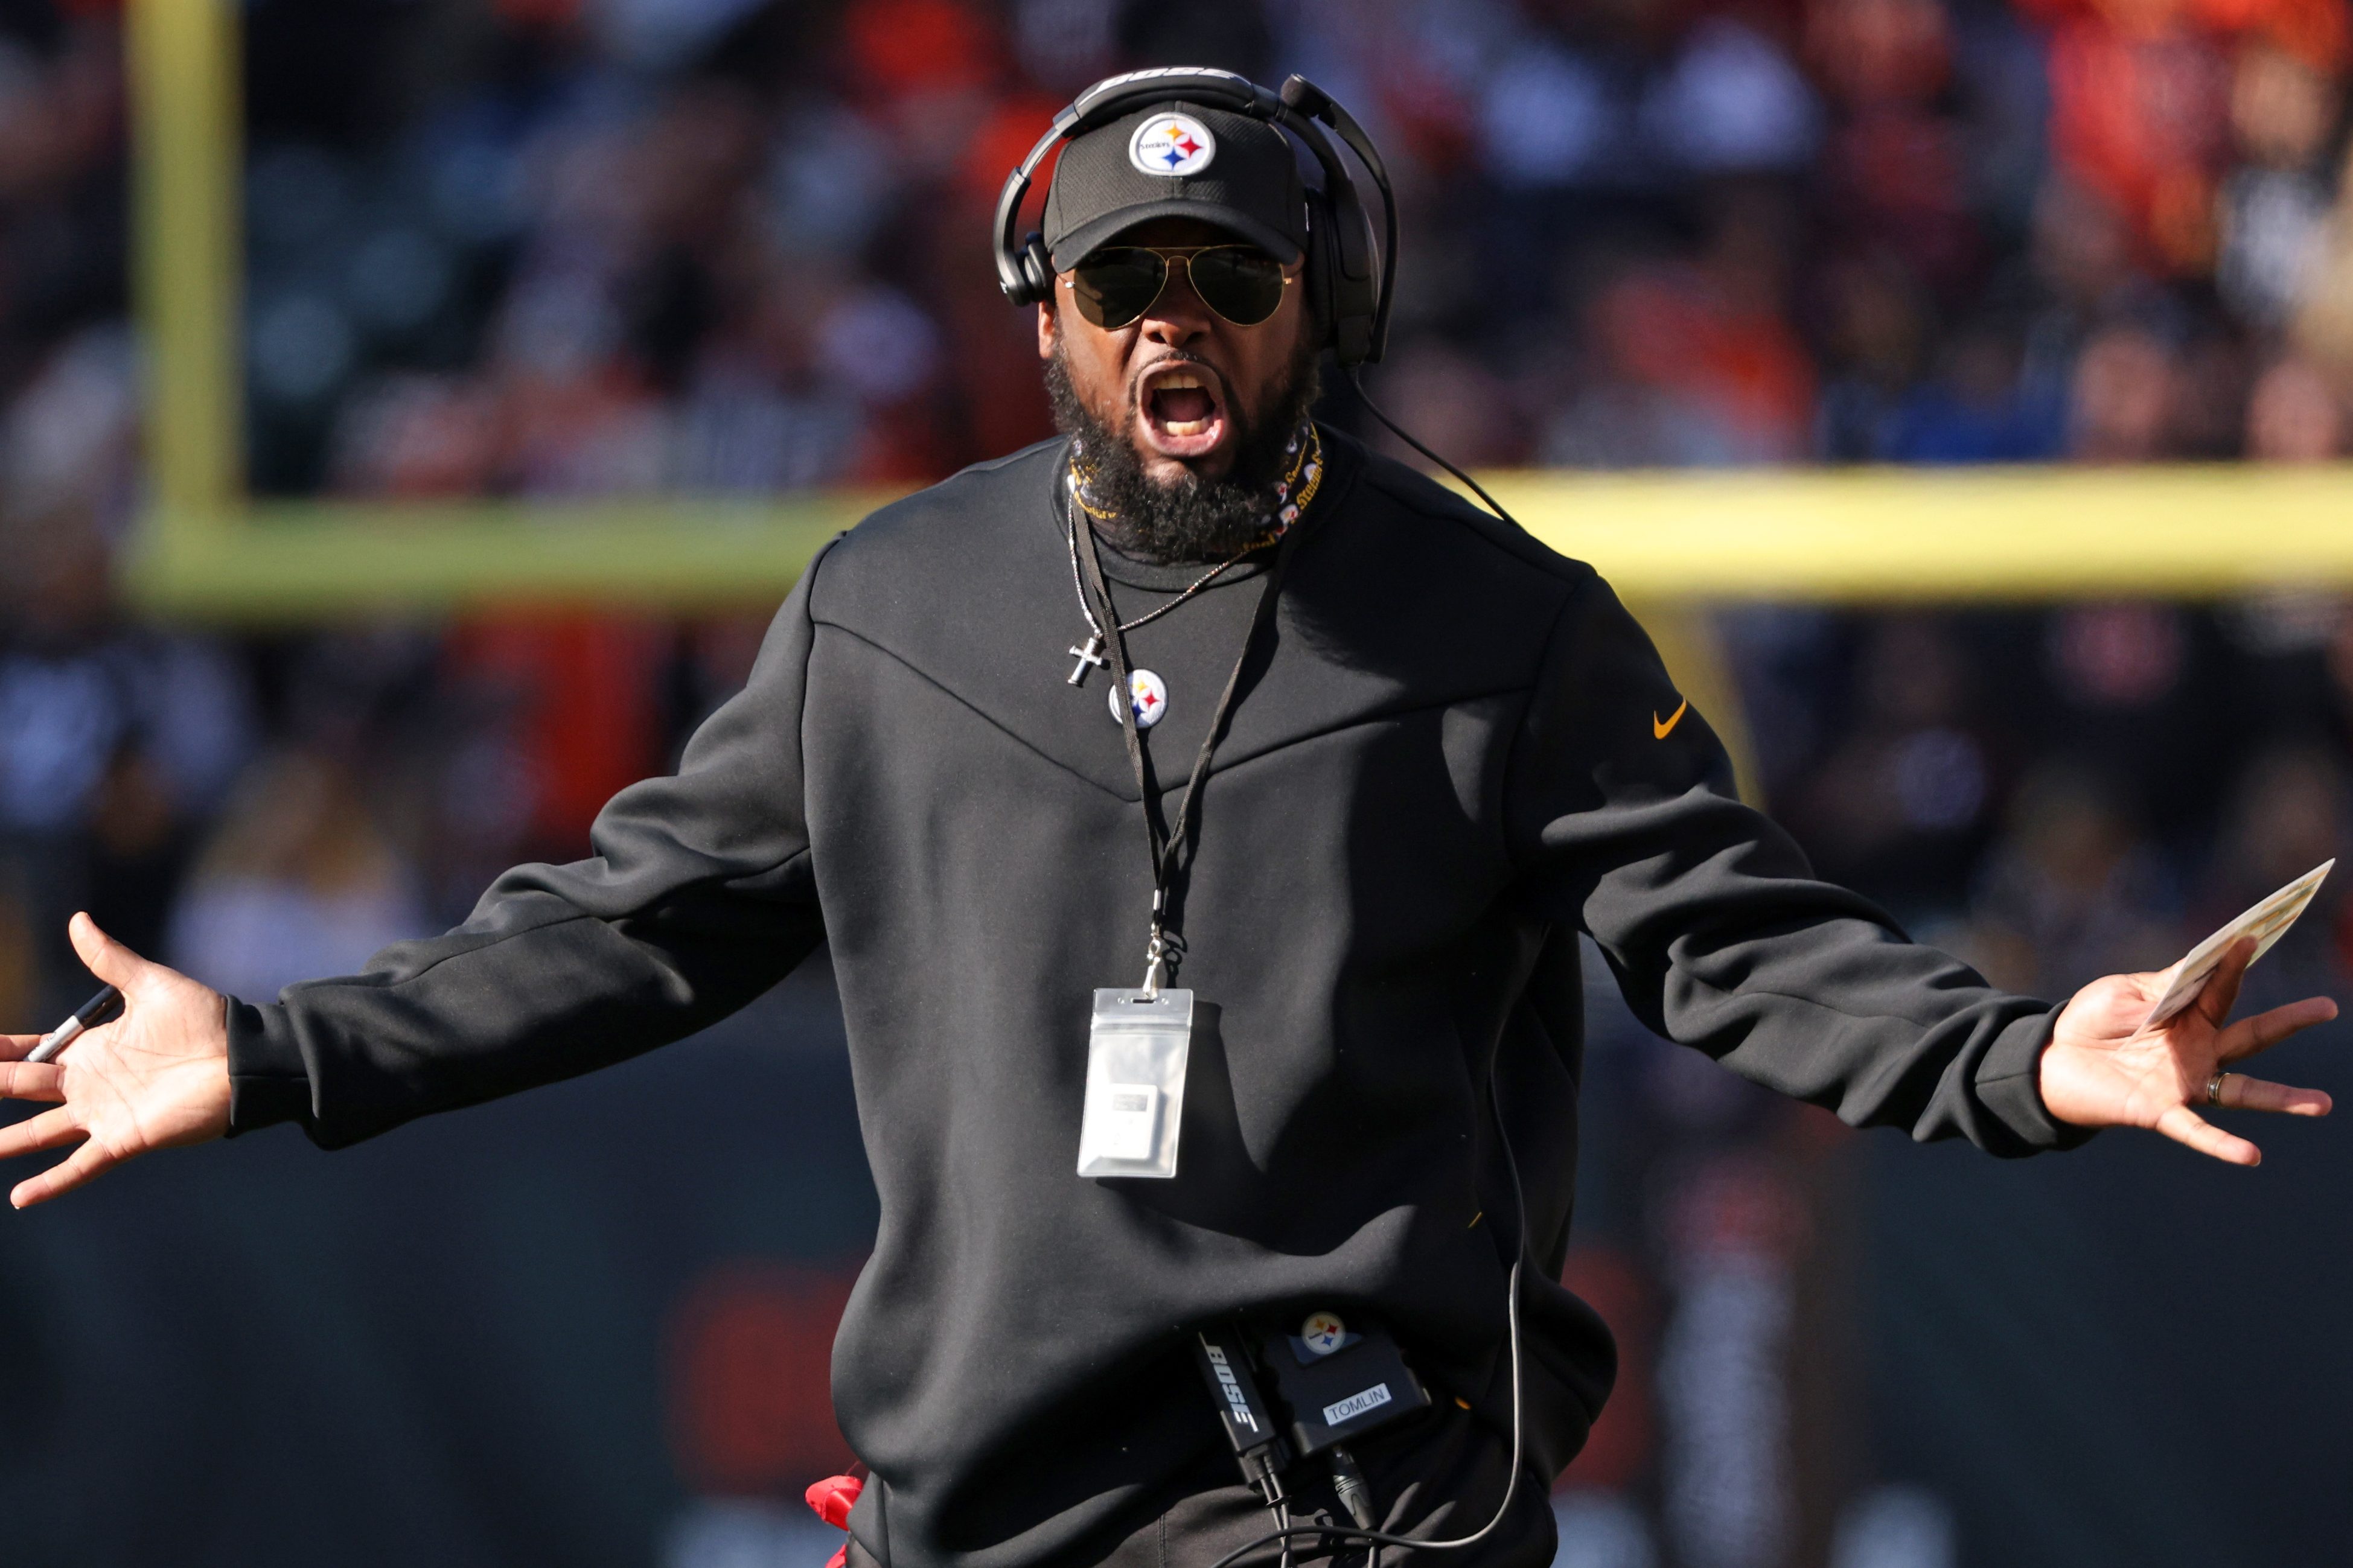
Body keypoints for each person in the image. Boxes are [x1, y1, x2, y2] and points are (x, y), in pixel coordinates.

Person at [0, 74, 2337, 1568]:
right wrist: (285, 1053)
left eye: (1232, 279)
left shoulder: (1498, 625)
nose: (1180, 329)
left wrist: (2028, 1058)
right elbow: (635, 922)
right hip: (986, 1509)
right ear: (1048, 307)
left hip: (1361, 1509)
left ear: (1324, 300)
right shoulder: (892, 605)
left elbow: (1734, 939)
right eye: (1132, 283)